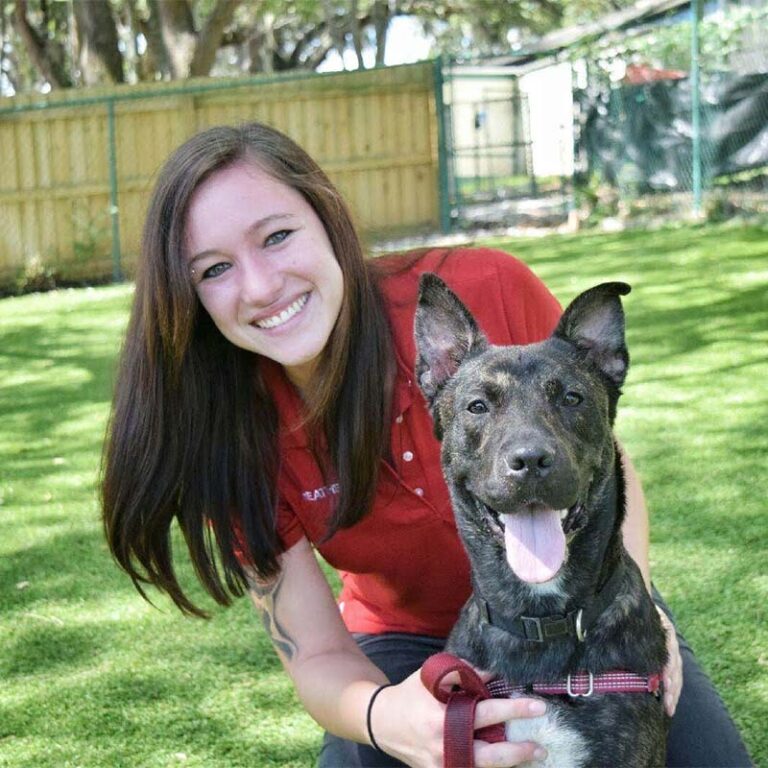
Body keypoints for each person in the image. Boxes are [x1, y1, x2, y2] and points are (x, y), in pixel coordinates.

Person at [101, 122, 751, 768]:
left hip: (593, 605)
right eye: (215, 269)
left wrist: (637, 610)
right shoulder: (234, 439)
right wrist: (391, 720)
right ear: (188, 298)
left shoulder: (484, 288)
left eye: (277, 236)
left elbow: (599, 461)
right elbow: (318, 657)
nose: (262, 286)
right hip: (404, 641)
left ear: (328, 220)